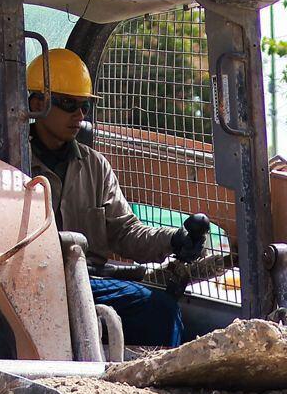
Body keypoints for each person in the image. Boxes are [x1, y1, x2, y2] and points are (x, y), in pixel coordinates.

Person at [24, 48, 208, 348]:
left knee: (161, 312)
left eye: (84, 105)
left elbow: (126, 232)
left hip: (87, 283)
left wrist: (174, 240)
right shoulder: (6, 163)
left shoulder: (95, 166)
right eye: (68, 103)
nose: (79, 114)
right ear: (36, 103)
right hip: (27, 285)